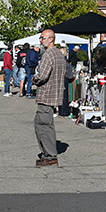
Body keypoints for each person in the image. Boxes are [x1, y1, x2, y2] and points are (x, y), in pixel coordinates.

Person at [33, 28, 67, 166]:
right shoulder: (59, 54)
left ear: (51, 39)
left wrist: (34, 80)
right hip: (54, 94)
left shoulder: (49, 54)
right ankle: (48, 153)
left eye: (42, 38)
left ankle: (50, 156)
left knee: (44, 126)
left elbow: (42, 76)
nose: (40, 40)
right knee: (42, 124)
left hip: (47, 95)